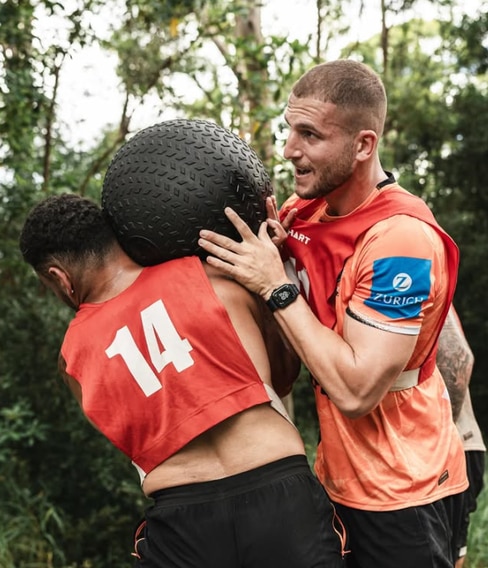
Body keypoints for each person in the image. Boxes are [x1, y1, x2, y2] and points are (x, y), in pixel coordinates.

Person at [197, 58, 468, 567]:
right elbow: (286, 373)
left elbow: (356, 391)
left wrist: (276, 286)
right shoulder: (303, 215)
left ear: (364, 145)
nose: (289, 150)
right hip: (335, 480)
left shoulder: (401, 241)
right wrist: (270, 273)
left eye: (310, 134)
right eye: (288, 130)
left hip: (405, 491)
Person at [19, 193, 346, 568]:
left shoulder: (73, 358)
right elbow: (285, 376)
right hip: (280, 499)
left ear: (58, 277)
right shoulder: (216, 276)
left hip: (183, 523)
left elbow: (139, 439)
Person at [437, 306, 486, 568]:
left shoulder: (419, 268)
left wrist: (442, 433)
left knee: (447, 553)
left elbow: (458, 357)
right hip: (451, 442)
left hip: (455, 444)